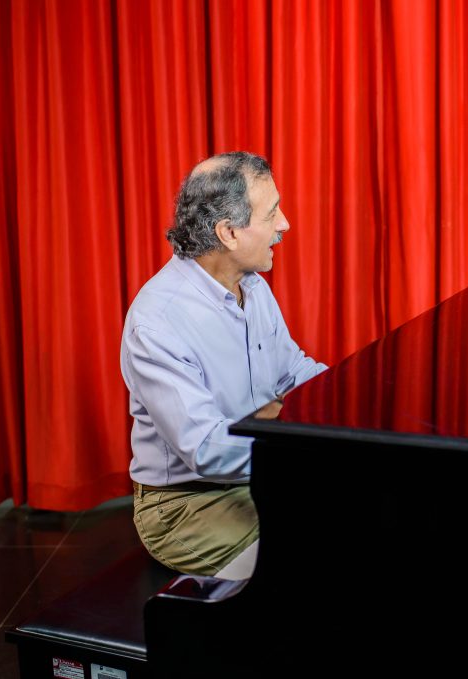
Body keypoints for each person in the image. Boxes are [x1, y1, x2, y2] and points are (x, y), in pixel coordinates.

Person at [120, 152, 326, 581]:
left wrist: (353, 396)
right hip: (183, 505)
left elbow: (293, 373)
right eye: (272, 213)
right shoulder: (158, 320)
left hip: (252, 478)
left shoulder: (252, 286)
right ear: (228, 232)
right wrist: (295, 442)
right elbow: (206, 450)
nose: (284, 224)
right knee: (307, 564)